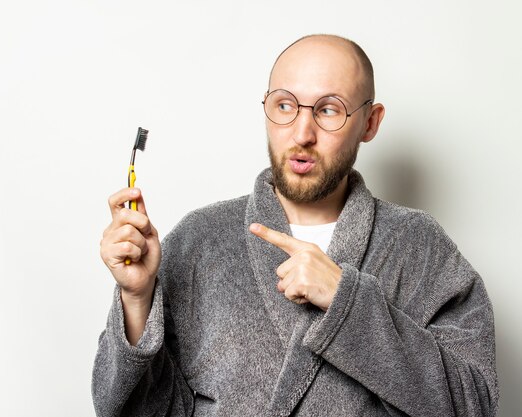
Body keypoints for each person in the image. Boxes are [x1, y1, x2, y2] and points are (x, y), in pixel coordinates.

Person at [92, 34, 498, 416]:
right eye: (285, 105)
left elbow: (474, 405)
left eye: (328, 110)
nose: (302, 134)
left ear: (370, 123)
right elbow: (140, 411)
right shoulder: (199, 240)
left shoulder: (419, 247)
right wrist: (137, 300)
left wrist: (348, 304)